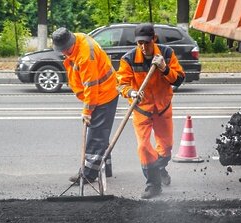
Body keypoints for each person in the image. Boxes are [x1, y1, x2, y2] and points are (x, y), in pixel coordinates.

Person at [117, 23, 185, 199]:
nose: (143, 46)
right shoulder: (129, 59)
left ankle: (160, 168)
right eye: (139, 43)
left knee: (166, 147)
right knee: (143, 147)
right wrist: (131, 92)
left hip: (162, 108)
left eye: (146, 42)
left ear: (153, 39)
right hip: (142, 110)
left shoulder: (167, 54)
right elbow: (122, 84)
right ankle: (153, 184)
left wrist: (164, 68)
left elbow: (179, 79)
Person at [51, 27, 119, 184]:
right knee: (101, 134)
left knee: (95, 136)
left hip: (103, 95)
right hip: (102, 92)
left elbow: (91, 86)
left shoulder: (86, 55)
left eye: (65, 50)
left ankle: (88, 174)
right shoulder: (78, 39)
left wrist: (87, 111)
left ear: (70, 43)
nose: (63, 53)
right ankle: (104, 168)